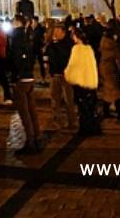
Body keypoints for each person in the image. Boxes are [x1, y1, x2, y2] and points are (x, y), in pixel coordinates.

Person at [8, 15, 42, 153]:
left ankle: (30, 141)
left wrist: (15, 75)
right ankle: (37, 136)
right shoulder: (28, 36)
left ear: (17, 23)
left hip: (21, 79)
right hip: (29, 76)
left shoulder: (16, 38)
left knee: (24, 112)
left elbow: (15, 59)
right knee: (32, 109)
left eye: (13, 22)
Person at [64, 27, 101, 136]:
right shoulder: (89, 49)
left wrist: (67, 73)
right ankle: (93, 127)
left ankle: (85, 128)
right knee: (90, 106)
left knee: (82, 106)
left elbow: (73, 65)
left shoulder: (76, 49)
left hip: (80, 81)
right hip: (90, 81)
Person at [46, 22, 76, 131]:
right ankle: (57, 121)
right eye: (54, 32)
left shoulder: (69, 44)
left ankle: (71, 121)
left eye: (57, 32)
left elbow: (67, 58)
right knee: (55, 99)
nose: (55, 34)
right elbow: (48, 56)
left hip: (66, 75)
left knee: (68, 100)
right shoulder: (51, 44)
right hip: (55, 75)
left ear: (63, 32)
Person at [98, 23, 120, 124]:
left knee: (108, 92)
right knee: (117, 93)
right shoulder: (114, 46)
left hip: (104, 69)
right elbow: (119, 60)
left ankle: (106, 112)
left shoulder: (103, 42)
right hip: (111, 71)